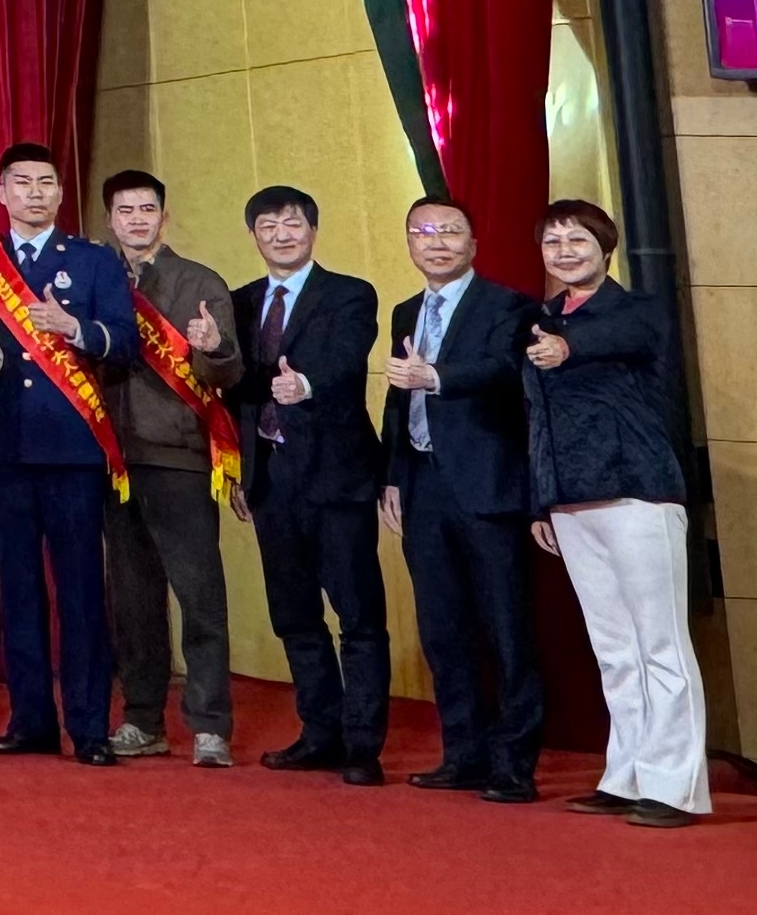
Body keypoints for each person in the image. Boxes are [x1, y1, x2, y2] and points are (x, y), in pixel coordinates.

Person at [526, 200, 707, 827]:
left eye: (577, 239)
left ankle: (675, 787)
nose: (565, 251)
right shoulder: (539, 320)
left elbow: (621, 338)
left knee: (661, 645)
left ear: (606, 249)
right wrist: (542, 499)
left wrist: (567, 346)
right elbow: (536, 417)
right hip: (571, 501)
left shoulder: (639, 309)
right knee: (614, 648)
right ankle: (626, 774)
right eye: (553, 242)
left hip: (638, 493)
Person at [0, 143, 138, 767]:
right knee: (18, 591)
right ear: (1, 191)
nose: (35, 193)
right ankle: (31, 721)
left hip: (73, 451)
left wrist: (75, 330)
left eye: (46, 182)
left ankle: (89, 727)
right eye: (22, 182)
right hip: (6, 449)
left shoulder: (93, 261)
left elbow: (126, 342)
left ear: (61, 193)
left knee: (81, 592)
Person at [381, 195, 543, 802]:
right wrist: (392, 474)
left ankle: (514, 764)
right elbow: (397, 397)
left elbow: (506, 371)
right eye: (423, 231)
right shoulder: (405, 311)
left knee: (506, 627)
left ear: (473, 243)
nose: (437, 241)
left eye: (450, 231)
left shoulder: (508, 305)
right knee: (442, 626)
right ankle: (463, 753)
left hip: (487, 482)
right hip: (422, 483)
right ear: (409, 244)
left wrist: (437, 377)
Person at [235, 182, 389, 785]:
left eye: (292, 223)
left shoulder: (349, 293)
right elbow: (236, 385)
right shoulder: (241, 301)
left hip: (336, 476)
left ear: (313, 230)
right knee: (295, 616)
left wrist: (306, 385)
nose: (281, 234)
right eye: (268, 226)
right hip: (270, 480)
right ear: (254, 236)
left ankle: (363, 745)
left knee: (358, 616)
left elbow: (346, 360)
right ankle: (319, 732)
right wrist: (212, 349)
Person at [94, 169, 243, 769]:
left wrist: (211, 346)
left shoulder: (198, 280)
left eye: (147, 209)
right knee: (133, 600)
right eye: (125, 210)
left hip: (179, 457)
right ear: (110, 219)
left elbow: (227, 371)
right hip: (113, 459)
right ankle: (143, 719)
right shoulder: (96, 276)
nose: (137, 220)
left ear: (165, 216)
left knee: (199, 594)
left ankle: (210, 726)